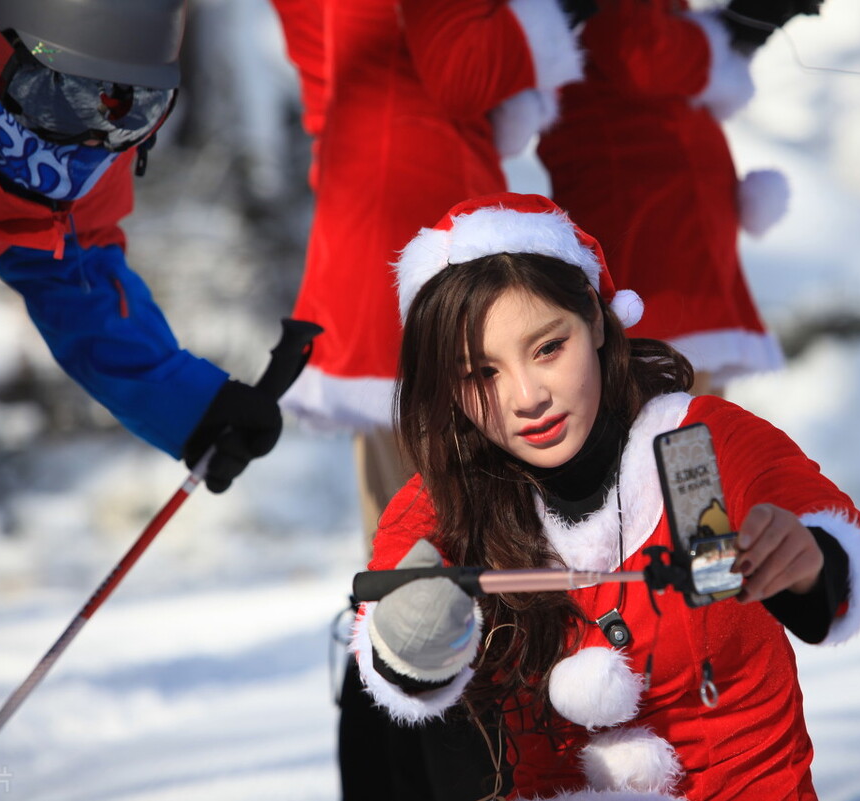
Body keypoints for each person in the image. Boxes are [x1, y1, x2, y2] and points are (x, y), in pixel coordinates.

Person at [349, 192, 860, 799]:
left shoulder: (698, 443)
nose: (527, 397)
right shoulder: (446, 500)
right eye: (481, 373)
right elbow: (396, 663)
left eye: (548, 348)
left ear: (598, 322)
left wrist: (808, 560)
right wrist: (412, 638)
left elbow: (830, 546)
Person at [267, 2, 586, 798]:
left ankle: (390, 774)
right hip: (421, 222)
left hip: (377, 211)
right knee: (444, 552)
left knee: (404, 550)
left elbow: (322, 82)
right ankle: (438, 774)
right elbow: (462, 66)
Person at [0, 0, 289, 641]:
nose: (88, 139)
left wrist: (191, 406)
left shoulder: (74, 153)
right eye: (61, 97)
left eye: (129, 110)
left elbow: (71, 268)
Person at [538, 0, 824, 395]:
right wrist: (723, 38)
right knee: (668, 396)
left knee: (697, 400)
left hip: (677, 210)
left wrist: (732, 31)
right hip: (645, 211)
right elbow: (637, 51)